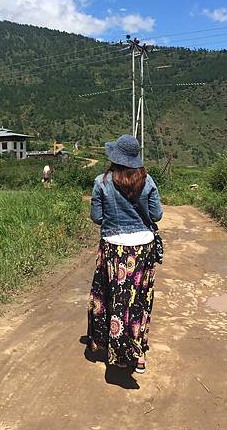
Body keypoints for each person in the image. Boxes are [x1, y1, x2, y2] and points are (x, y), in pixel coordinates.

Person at [87, 134, 163, 374]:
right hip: (143, 248)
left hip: (113, 248)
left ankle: (112, 344)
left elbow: (97, 217)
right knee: (138, 299)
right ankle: (137, 353)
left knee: (114, 297)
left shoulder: (101, 181)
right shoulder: (147, 180)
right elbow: (157, 214)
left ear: (115, 157)